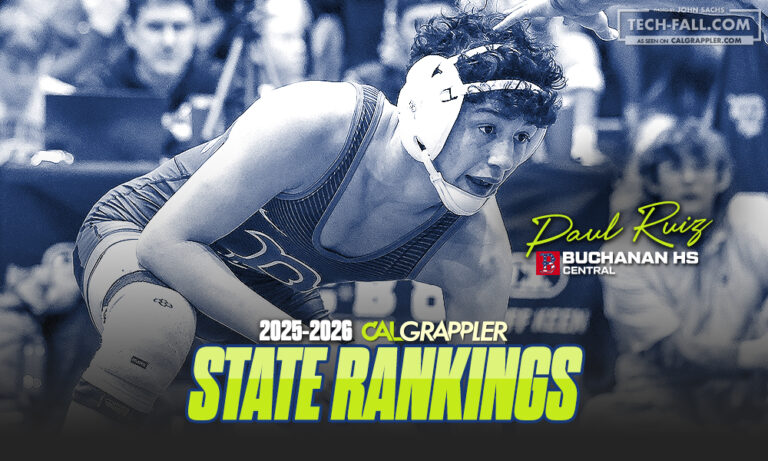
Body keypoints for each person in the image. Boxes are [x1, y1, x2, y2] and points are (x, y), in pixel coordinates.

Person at [64, 11, 564, 429]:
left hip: (268, 289)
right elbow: (165, 244)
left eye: (522, 138)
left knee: (351, 398)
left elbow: (470, 399)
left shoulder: (477, 247)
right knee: (156, 325)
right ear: (432, 108)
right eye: (487, 128)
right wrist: (297, 343)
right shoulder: (320, 121)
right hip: (141, 231)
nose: (502, 160)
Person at [586, 117, 768, 430]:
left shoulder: (753, 215)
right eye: (674, 168)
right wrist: (756, 355)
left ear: (722, 177)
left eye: (701, 167)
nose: (688, 178)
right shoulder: (620, 255)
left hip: (745, 400)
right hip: (661, 401)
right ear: (653, 181)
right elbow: (675, 356)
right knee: (601, 417)